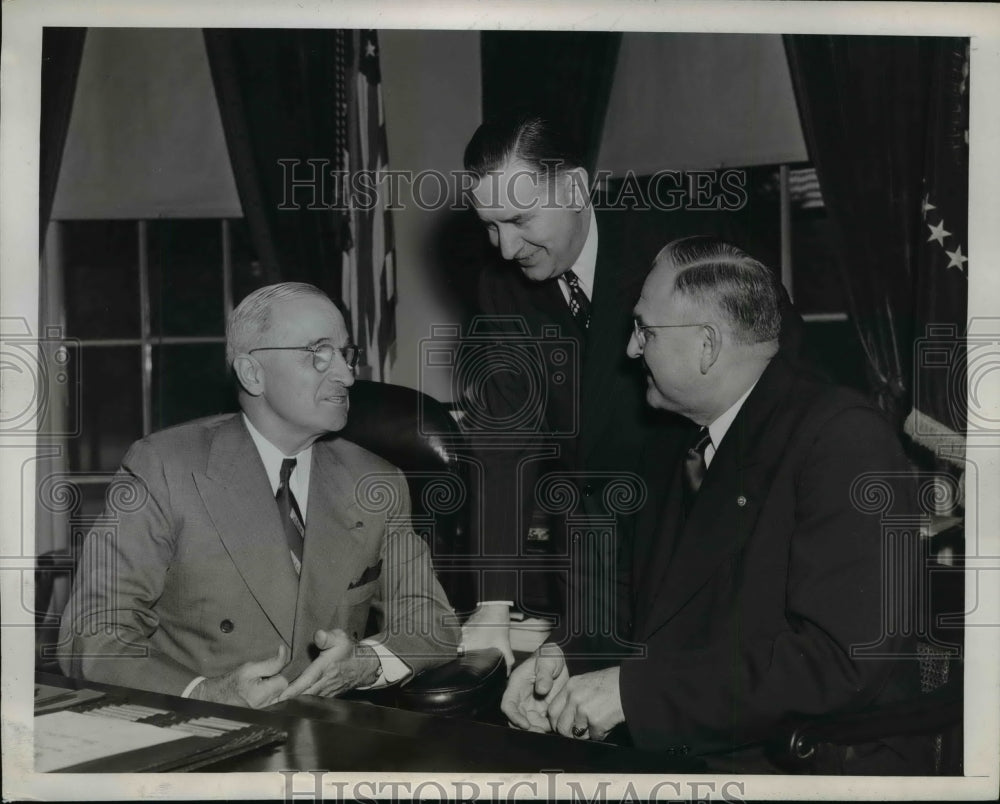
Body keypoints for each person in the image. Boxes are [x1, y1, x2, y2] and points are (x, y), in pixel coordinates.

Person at [501, 237, 927, 773]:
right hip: (698, 751)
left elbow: (839, 662)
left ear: (707, 345)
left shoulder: (842, 438)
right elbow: (640, 608)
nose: (631, 350)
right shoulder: (670, 442)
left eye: (645, 331)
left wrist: (634, 695)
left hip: (809, 762)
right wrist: (565, 658)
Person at [59, 282, 458, 707]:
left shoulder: (375, 481)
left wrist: (366, 662)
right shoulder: (163, 467)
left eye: (345, 354)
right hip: (202, 734)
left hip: (333, 735)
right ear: (252, 373)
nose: (345, 374)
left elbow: (432, 623)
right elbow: (92, 633)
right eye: (318, 353)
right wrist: (206, 694)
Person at [458, 113, 676, 671]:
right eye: (489, 226)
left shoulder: (676, 250)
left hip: (692, 529)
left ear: (576, 188)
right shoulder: (498, 287)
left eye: (519, 219)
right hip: (588, 544)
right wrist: (493, 602)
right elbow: (504, 438)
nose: (505, 248)